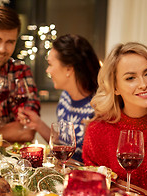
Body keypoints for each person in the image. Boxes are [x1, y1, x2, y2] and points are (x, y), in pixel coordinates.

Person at [82, 42, 147, 196]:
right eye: (131, 78)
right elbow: (93, 187)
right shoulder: (98, 131)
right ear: (115, 87)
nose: (143, 84)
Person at [18, 34, 100, 162]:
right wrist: (37, 123)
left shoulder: (100, 105)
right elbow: (63, 146)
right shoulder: (65, 97)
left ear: (69, 68)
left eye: (50, 64)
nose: (47, 70)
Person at [0, 6, 40, 143]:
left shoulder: (19, 70)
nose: (2, 49)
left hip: (8, 160)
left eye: (10, 42)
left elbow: (27, 130)